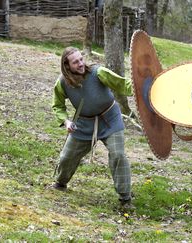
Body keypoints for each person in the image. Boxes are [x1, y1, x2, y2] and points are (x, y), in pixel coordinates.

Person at [51, 47, 133, 208]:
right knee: (67, 157)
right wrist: (66, 121)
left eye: (81, 59)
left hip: (110, 119)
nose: (81, 64)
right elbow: (57, 105)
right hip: (83, 124)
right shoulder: (62, 83)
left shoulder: (98, 72)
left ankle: (125, 197)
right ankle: (61, 182)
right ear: (67, 66)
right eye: (76, 62)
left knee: (118, 155)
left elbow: (122, 84)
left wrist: (142, 85)